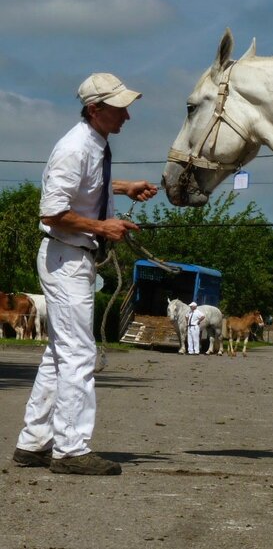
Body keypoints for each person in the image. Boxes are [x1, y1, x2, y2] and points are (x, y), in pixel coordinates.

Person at [13, 72, 158, 476]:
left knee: (58, 354)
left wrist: (123, 187)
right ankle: (71, 450)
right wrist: (103, 227)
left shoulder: (94, 145)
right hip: (67, 258)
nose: (127, 115)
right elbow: (52, 212)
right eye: (119, 108)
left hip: (72, 258)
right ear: (95, 110)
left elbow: (86, 189)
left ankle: (33, 443)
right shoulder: (74, 148)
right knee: (79, 354)